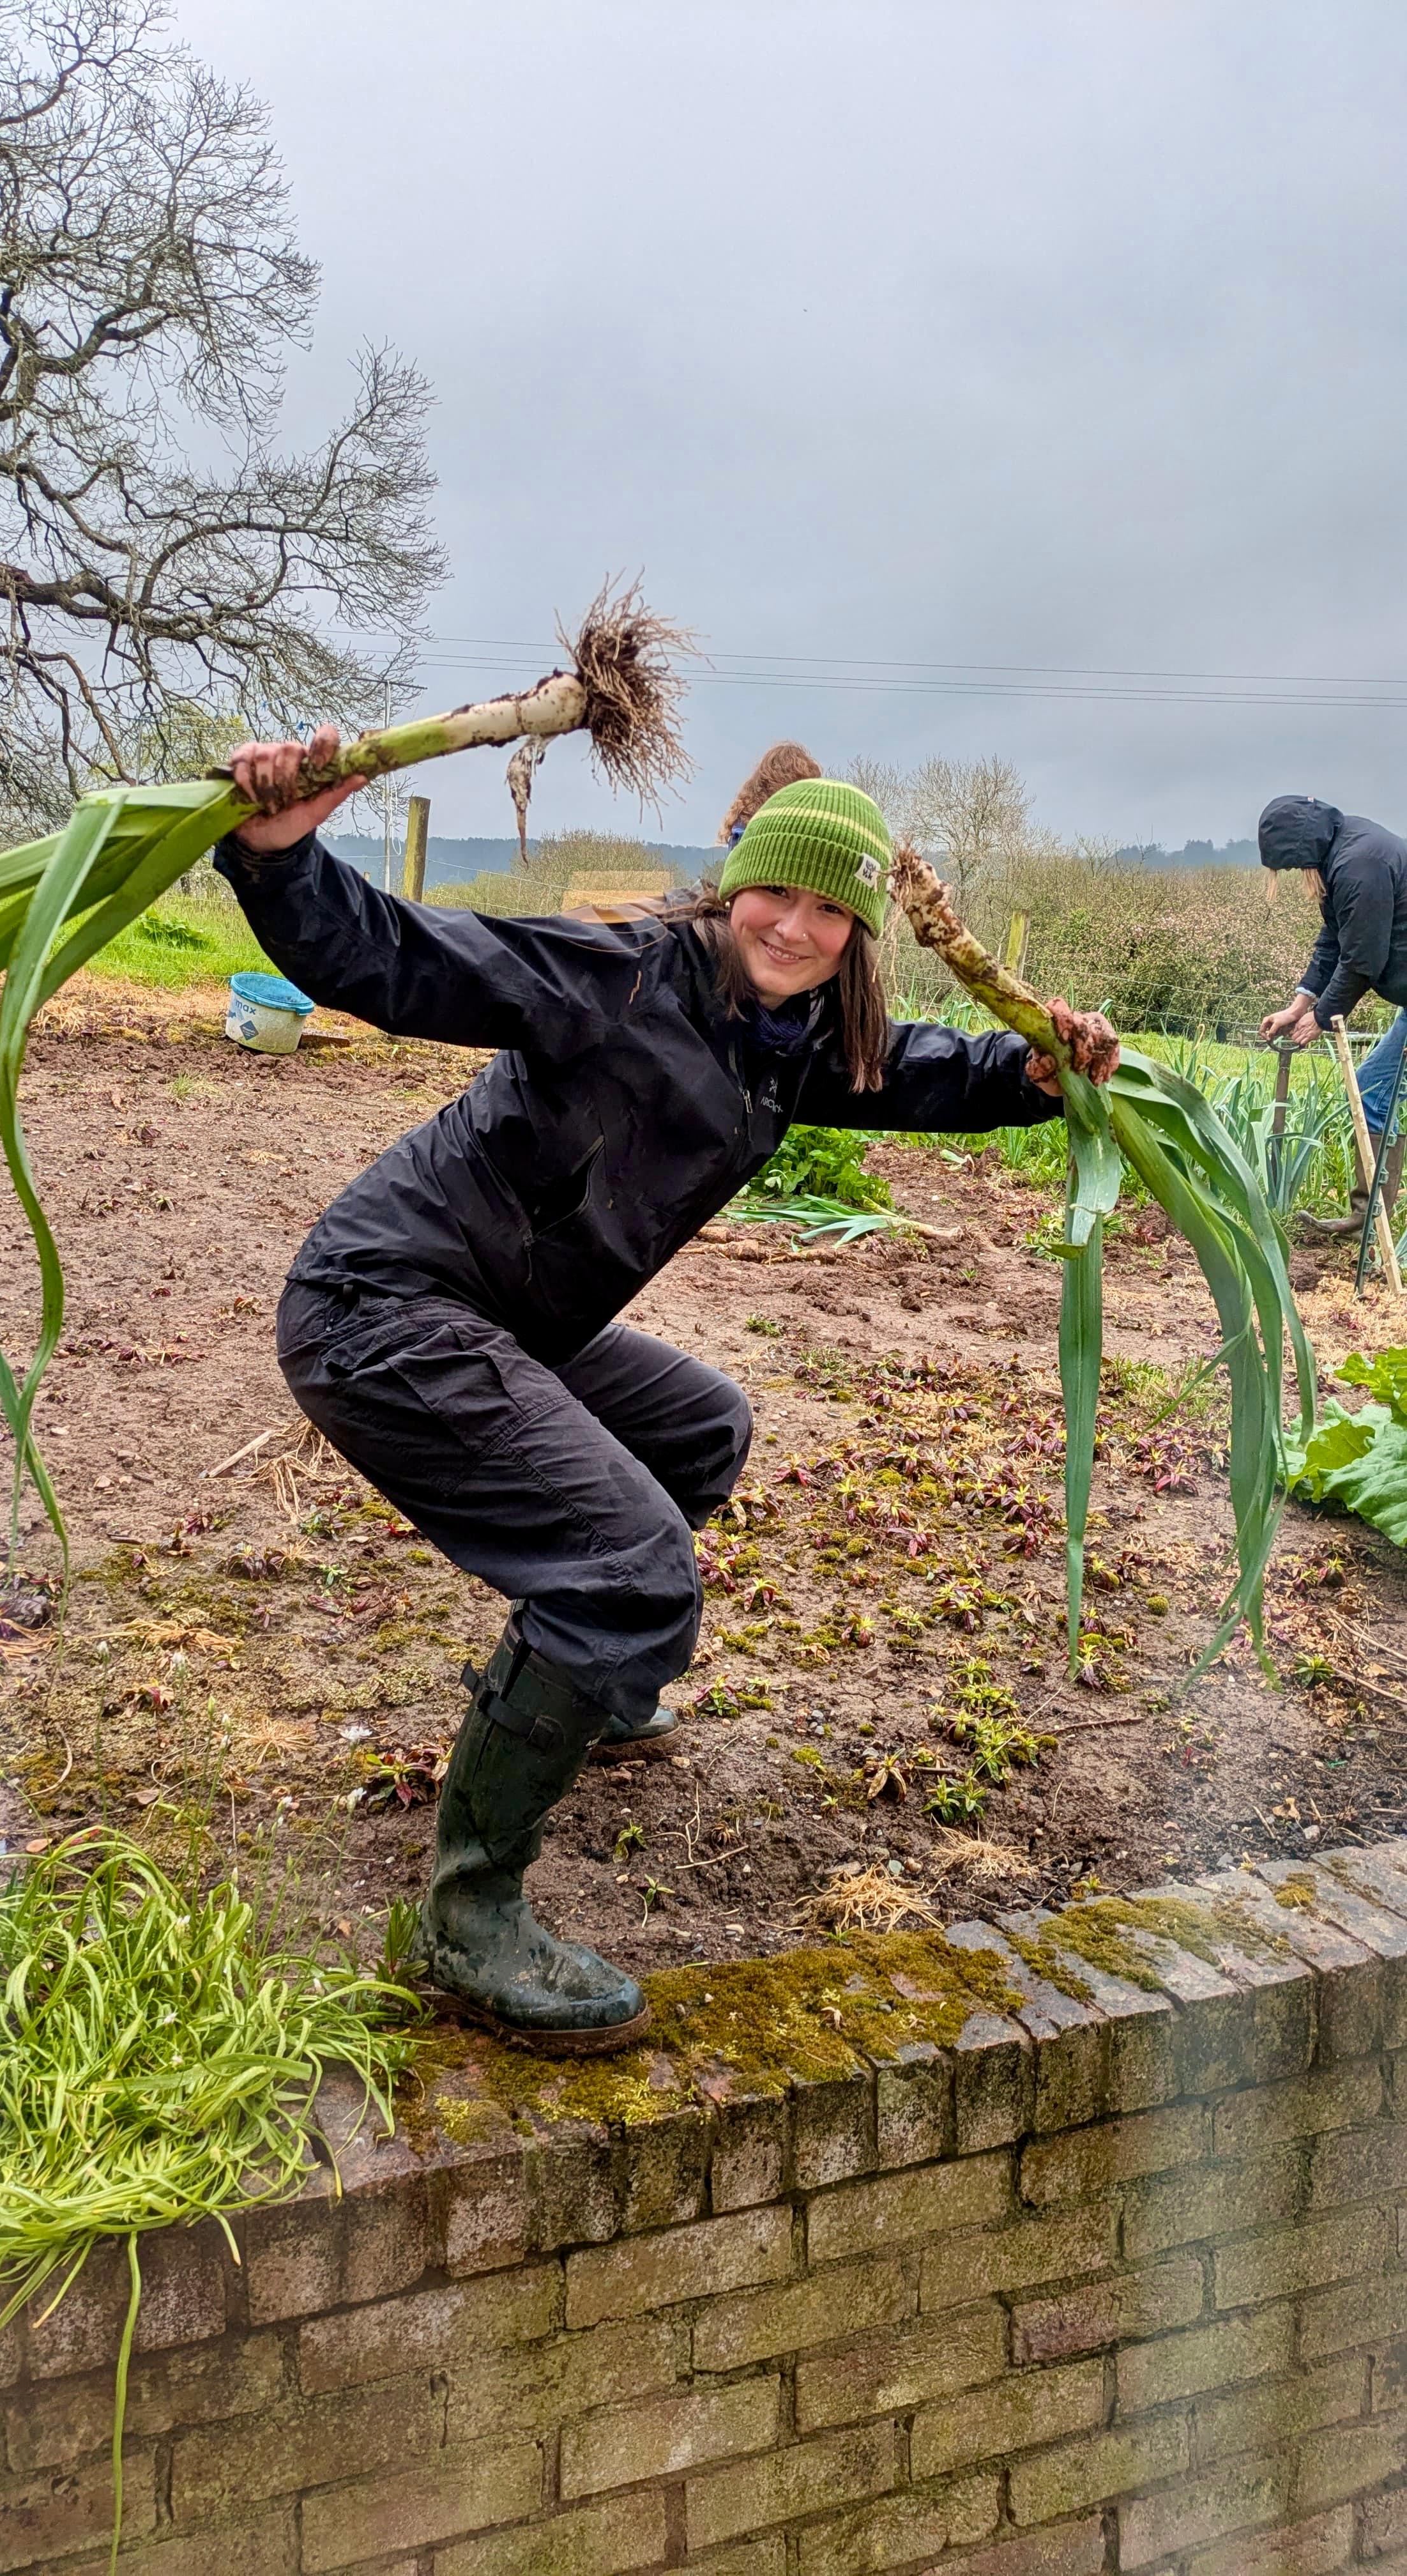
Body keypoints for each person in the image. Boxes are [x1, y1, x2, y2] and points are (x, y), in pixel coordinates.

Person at [215, 736, 1120, 2052]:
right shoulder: (627, 973)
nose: (796, 927)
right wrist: (278, 855)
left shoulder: (792, 1035)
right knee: (629, 1566)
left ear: (858, 929)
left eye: (831, 909)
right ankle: (470, 1913)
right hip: (386, 1308)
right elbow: (405, 959)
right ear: (735, 880)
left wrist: (1029, 1072)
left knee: (704, 1426)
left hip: (512, 1313)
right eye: (778, 894)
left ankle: (601, 1688)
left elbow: (908, 1069)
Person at [1258, 795, 1407, 1236]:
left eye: (1287, 867)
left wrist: (1322, 1017)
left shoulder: (1359, 865)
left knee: (1374, 1093)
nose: (1292, 877)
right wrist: (1300, 1004)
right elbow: (1335, 939)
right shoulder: (1345, 850)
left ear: (1300, 850)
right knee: (1376, 1092)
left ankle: (1371, 1226)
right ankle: (1370, 1223)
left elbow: (1362, 958)